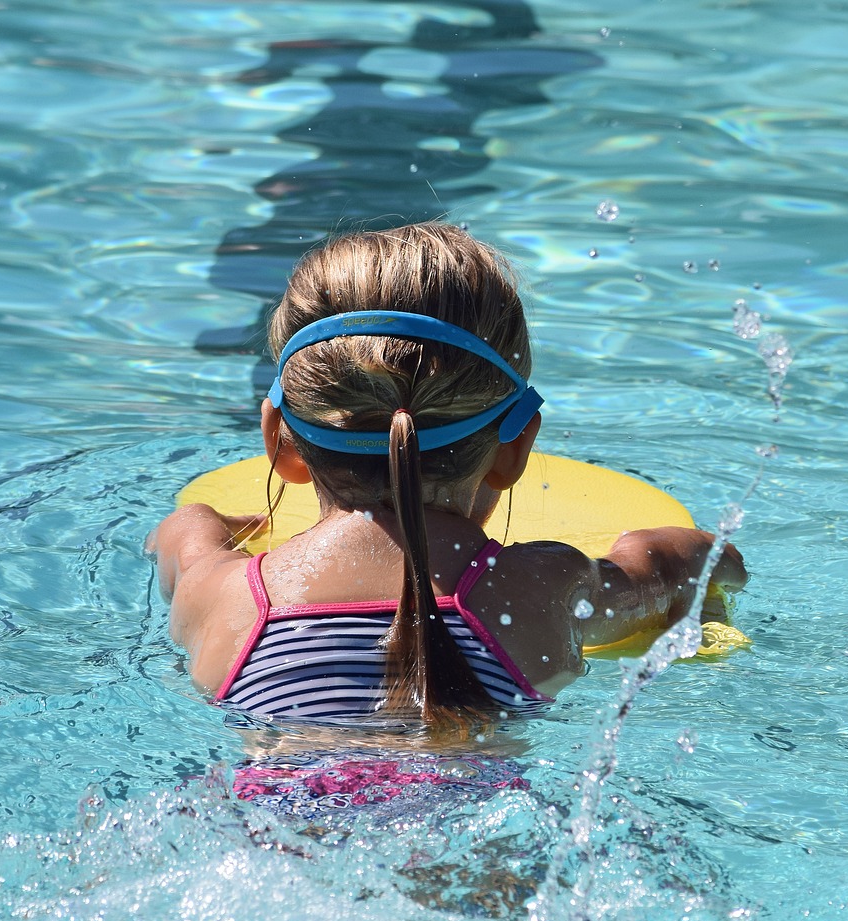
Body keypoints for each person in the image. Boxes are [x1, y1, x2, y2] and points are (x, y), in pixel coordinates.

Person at [151, 222, 747, 747]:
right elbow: (680, 564)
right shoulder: (536, 587)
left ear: (281, 442)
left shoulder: (222, 597)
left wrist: (221, 524)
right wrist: (704, 560)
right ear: (514, 447)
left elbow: (183, 532)